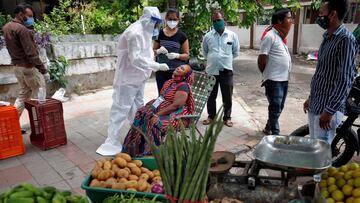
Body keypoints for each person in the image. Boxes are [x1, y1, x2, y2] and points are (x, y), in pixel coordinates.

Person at [96, 7, 170, 156]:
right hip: (127, 80)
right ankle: (112, 139)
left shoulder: (145, 31)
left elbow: (144, 53)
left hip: (138, 78)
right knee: (120, 108)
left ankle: (138, 132)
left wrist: (156, 52)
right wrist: (156, 66)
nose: (156, 28)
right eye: (155, 24)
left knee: (138, 107)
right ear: (149, 21)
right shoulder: (134, 33)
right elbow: (135, 58)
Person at [303, 0, 357, 144]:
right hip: (317, 104)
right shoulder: (327, 37)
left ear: (333, 15)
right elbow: (322, 72)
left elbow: (345, 79)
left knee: (320, 153)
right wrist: (311, 98)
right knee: (314, 148)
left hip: (328, 109)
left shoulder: (345, 39)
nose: (319, 17)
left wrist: (330, 110)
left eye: (321, 13)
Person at [122, 65, 195, 156]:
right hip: (164, 110)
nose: (178, 68)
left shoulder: (183, 86)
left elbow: (176, 106)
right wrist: (150, 106)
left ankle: (151, 151)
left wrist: (157, 114)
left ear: (184, 76)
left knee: (154, 121)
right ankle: (135, 146)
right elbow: (161, 98)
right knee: (141, 114)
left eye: (182, 69)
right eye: (179, 67)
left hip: (177, 115)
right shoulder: (170, 82)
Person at [3, 4, 47, 119]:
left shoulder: (7, 27)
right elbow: (31, 53)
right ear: (20, 14)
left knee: (24, 94)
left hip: (17, 67)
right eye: (28, 16)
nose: (30, 19)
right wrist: (43, 70)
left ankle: (13, 122)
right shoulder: (22, 29)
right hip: (28, 67)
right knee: (40, 94)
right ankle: (41, 123)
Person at [257, 8, 293, 135]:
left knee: (278, 107)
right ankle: (275, 134)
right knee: (275, 108)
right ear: (279, 21)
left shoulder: (279, 37)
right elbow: (261, 60)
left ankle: (268, 127)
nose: (291, 21)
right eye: (289, 18)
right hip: (274, 80)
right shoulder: (270, 36)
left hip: (283, 79)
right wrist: (267, 76)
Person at [202, 10, 240, 127]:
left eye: (219, 20)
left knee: (227, 96)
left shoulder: (232, 36)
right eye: (214, 21)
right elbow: (205, 52)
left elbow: (235, 52)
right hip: (211, 71)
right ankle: (211, 116)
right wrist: (215, 59)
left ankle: (227, 118)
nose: (217, 22)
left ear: (224, 20)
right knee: (210, 96)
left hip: (226, 71)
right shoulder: (208, 36)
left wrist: (225, 60)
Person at [153, 8, 190, 93]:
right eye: (170, 19)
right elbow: (153, 51)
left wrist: (177, 55)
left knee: (173, 97)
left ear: (178, 20)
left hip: (176, 73)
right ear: (166, 18)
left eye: (175, 19)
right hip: (161, 71)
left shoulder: (182, 36)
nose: (172, 21)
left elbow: (187, 55)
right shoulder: (159, 34)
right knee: (162, 96)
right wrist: (158, 51)